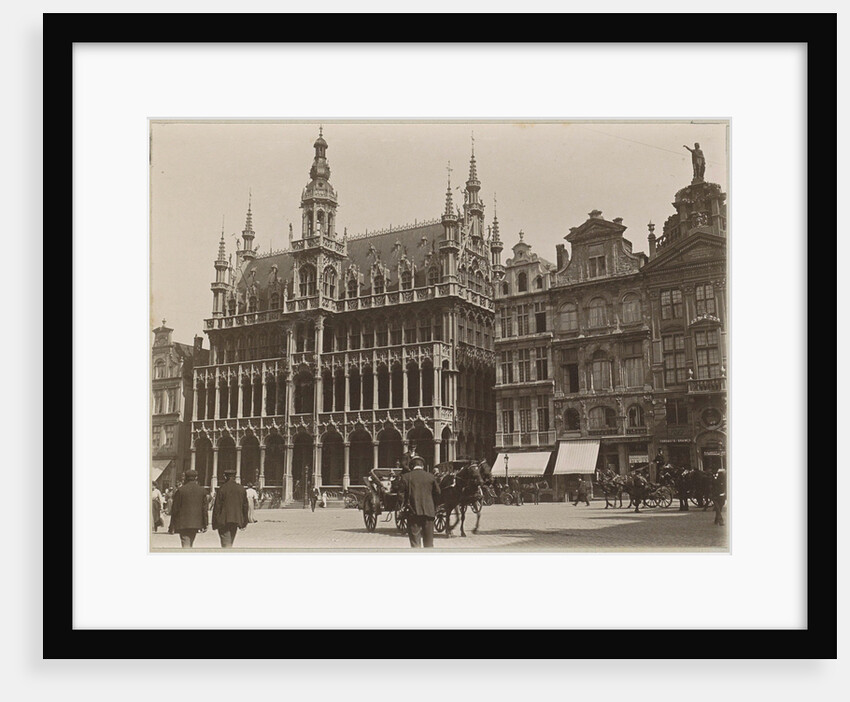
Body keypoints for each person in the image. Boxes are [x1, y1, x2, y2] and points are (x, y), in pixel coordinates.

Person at [399, 455, 442, 548]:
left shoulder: (406, 477)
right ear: (422, 465)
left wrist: (403, 505)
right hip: (429, 513)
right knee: (429, 543)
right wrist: (433, 506)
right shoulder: (430, 477)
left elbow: (400, 495)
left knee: (415, 543)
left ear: (411, 466)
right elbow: (438, 493)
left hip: (412, 513)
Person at [167, 470, 208, 548]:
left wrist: (172, 525)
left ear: (186, 477)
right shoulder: (202, 490)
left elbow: (175, 509)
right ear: (196, 478)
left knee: (185, 543)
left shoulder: (180, 490)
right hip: (196, 523)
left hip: (183, 523)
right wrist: (205, 524)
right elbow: (204, 509)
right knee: (190, 542)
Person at [211, 468, 249, 548]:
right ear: (235, 477)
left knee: (226, 543)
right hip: (236, 519)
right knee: (230, 541)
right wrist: (244, 522)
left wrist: (214, 523)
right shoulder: (241, 489)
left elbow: (217, 507)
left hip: (223, 520)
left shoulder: (222, 488)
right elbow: (245, 507)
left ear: (225, 477)